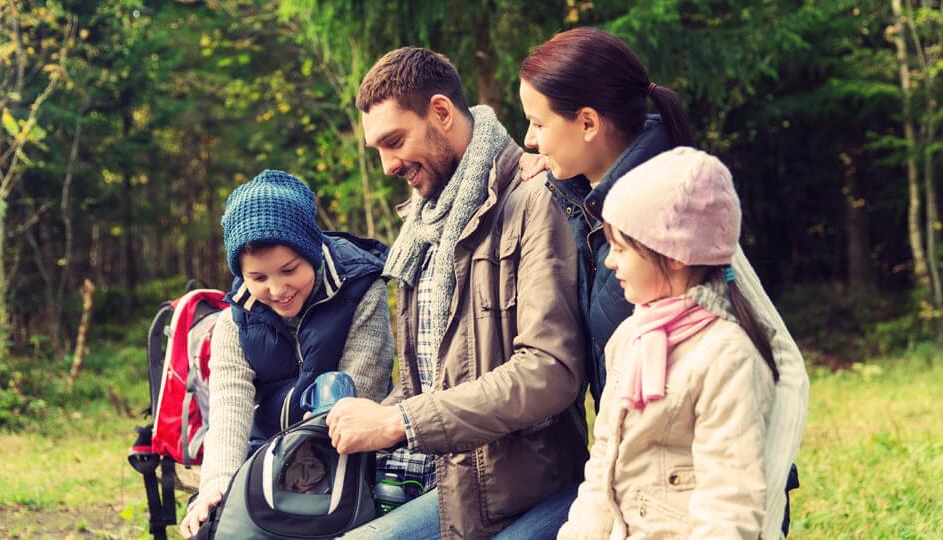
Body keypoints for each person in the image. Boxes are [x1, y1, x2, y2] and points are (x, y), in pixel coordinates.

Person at [518, 27, 807, 536]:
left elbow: (779, 364)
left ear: (587, 122)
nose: (530, 140)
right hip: (633, 494)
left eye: (538, 123)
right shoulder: (594, 207)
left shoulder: (675, 213)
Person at [324, 47, 588, 539]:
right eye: (377, 150)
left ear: (441, 112)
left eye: (394, 140)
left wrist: (401, 421)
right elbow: (433, 378)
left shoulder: (534, 200)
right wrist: (378, 414)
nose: (386, 166)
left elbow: (549, 373)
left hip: (526, 489)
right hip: (446, 483)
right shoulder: (423, 231)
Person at [559, 147, 780, 538]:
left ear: (675, 255)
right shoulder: (631, 337)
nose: (610, 262)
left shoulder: (727, 357)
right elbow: (601, 471)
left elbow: (729, 506)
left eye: (622, 249)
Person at [179, 170, 395, 537]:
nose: (277, 289)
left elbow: (362, 397)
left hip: (346, 453)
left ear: (309, 252)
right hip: (266, 455)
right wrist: (217, 484)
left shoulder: (362, 291)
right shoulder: (235, 320)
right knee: (210, 527)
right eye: (258, 278)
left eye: (289, 270)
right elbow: (230, 407)